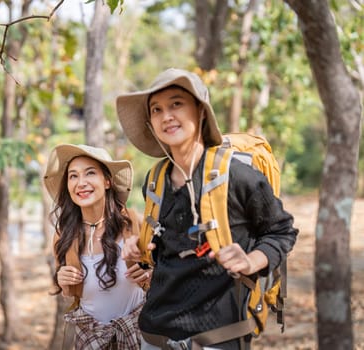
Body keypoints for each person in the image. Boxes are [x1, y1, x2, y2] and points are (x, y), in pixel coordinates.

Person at [115, 68, 298, 350]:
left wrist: (251, 261)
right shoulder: (155, 181)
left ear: (200, 111)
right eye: (157, 109)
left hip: (218, 338)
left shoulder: (237, 177)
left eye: (177, 104)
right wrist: (138, 251)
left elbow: (281, 231)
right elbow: (167, 252)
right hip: (154, 336)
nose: (167, 116)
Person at [44, 144, 150, 350]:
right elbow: (69, 292)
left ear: (107, 181)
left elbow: (161, 273)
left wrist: (149, 272)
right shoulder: (64, 235)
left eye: (90, 173)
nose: (81, 183)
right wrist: (62, 279)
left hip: (138, 334)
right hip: (90, 339)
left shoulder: (134, 224)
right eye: (73, 176)